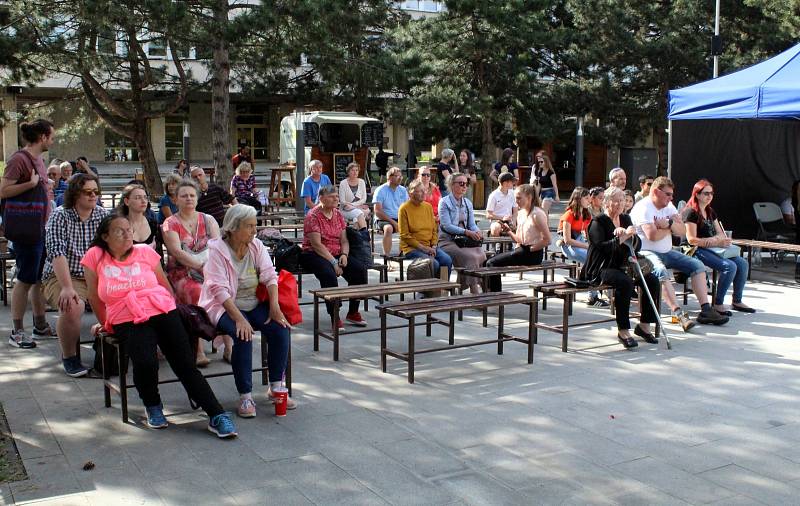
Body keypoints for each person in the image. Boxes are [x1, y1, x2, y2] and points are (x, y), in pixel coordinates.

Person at [82, 213, 237, 437]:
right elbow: (94, 296)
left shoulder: (144, 252)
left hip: (161, 309)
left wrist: (170, 310)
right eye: (119, 231)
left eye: (129, 230)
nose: (127, 234)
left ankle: (216, 414)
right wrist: (105, 323)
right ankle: (153, 405)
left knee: (185, 363)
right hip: (126, 316)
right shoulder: (95, 256)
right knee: (145, 361)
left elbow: (165, 287)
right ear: (105, 236)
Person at [199, 205, 294, 418]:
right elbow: (218, 289)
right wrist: (239, 319)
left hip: (253, 302)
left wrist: (275, 307)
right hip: (223, 306)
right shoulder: (216, 251)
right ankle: (245, 395)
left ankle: (276, 385)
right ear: (233, 228)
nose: (254, 230)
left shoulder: (256, 245)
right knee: (243, 335)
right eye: (249, 226)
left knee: (280, 328)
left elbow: (270, 276)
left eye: (255, 225)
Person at [630, 176, 728, 331]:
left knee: (697, 265)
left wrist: (667, 224)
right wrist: (671, 226)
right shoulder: (643, 207)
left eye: (671, 194)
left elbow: (682, 231)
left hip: (667, 251)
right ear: (656, 191)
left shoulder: (668, 206)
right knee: (661, 271)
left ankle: (706, 310)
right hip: (645, 253)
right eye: (668, 194)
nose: (671, 198)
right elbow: (652, 236)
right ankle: (678, 313)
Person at [42, 172, 109, 376]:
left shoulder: (102, 215)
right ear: (75, 194)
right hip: (64, 274)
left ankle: (113, 350)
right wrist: (67, 287)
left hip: (95, 274)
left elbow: (112, 249)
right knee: (72, 305)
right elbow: (56, 252)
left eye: (95, 191)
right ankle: (70, 357)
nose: (93, 195)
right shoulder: (60, 215)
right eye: (87, 192)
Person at [580, 187, 661, 349]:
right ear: (606, 202)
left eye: (622, 200)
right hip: (602, 267)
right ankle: (623, 329)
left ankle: (644, 326)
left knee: (652, 279)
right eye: (615, 200)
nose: (619, 204)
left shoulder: (625, 219)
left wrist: (632, 236)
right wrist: (621, 238)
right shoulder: (598, 222)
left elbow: (636, 247)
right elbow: (602, 248)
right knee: (625, 283)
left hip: (624, 264)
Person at [1, 119, 55, 349]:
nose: (53, 140)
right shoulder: (19, 159)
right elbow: (3, 190)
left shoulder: (37, 160)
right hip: (27, 230)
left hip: (40, 228)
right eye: (51, 136)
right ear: (42, 137)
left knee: (37, 279)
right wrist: (31, 184)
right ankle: (17, 331)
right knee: (24, 280)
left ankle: (40, 325)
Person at [162, 180, 222, 367]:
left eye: (192, 195)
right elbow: (176, 251)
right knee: (195, 291)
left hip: (209, 268)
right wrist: (199, 266)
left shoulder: (208, 219)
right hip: (181, 271)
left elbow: (217, 246)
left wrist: (209, 269)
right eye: (184, 195)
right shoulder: (170, 223)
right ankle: (198, 349)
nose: (188, 198)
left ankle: (228, 345)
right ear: (176, 200)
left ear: (197, 198)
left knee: (225, 291)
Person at [301, 185, 368, 329]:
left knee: (359, 270)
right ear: (321, 198)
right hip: (314, 254)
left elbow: (344, 240)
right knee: (329, 275)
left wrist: (344, 255)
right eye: (332, 196)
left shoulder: (337, 214)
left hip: (337, 252)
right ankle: (334, 315)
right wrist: (333, 263)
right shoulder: (313, 216)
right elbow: (317, 245)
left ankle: (353, 312)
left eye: (337, 196)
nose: (336, 199)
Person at [682, 179, 754, 314]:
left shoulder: (710, 211)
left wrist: (716, 240)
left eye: (711, 193)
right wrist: (715, 241)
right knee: (729, 266)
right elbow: (691, 240)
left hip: (712, 247)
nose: (709, 196)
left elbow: (721, 233)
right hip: (694, 250)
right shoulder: (690, 212)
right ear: (697, 194)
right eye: (706, 193)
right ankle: (718, 303)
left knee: (743, 264)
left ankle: (737, 300)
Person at [485, 184, 550, 292]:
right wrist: (509, 231)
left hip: (533, 253)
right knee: (485, 262)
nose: (516, 201)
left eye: (519, 198)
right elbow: (519, 240)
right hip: (522, 250)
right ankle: (489, 292)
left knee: (491, 263)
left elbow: (547, 240)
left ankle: (495, 295)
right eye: (515, 198)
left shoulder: (537, 214)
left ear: (529, 197)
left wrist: (531, 249)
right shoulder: (520, 214)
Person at [558, 187, 608, 307]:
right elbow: (567, 240)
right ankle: (593, 296)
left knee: (598, 258)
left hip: (581, 242)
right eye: (586, 198)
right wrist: (587, 246)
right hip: (569, 246)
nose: (589, 200)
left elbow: (588, 235)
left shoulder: (586, 214)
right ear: (578, 199)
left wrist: (592, 246)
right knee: (592, 261)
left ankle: (592, 289)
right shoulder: (569, 214)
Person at [438, 173, 486, 294]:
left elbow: (471, 224)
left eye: (466, 184)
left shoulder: (467, 203)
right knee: (470, 257)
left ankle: (474, 285)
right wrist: (466, 232)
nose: (464, 186)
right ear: (452, 185)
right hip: (447, 241)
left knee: (482, 255)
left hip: (464, 240)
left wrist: (477, 231)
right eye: (461, 183)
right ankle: (474, 290)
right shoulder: (444, 202)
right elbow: (446, 226)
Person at [399, 179, 452, 275]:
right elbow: (404, 235)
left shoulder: (428, 207)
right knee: (433, 264)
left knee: (446, 260)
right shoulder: (404, 208)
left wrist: (434, 246)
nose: (424, 193)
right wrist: (424, 248)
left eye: (425, 190)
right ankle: (429, 289)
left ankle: (442, 288)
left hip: (430, 246)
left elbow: (434, 230)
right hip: (412, 248)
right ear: (411, 194)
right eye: (420, 191)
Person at [373, 166, 409, 256]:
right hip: (383, 219)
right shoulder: (380, 190)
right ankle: (387, 256)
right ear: (389, 177)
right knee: (388, 228)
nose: (400, 178)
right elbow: (378, 211)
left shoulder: (403, 190)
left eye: (401, 176)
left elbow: (407, 208)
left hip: (399, 218)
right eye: (397, 176)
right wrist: (393, 222)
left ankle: (403, 253)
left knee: (413, 226)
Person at [117, 184, 159, 249]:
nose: (143, 201)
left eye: (145, 197)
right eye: (138, 197)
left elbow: (159, 254)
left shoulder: (153, 224)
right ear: (127, 201)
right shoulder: (118, 226)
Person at [338, 162, 370, 230]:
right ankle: (365, 235)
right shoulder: (343, 183)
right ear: (348, 172)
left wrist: (353, 205)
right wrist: (355, 207)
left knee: (357, 218)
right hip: (345, 210)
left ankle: (355, 234)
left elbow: (364, 199)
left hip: (359, 207)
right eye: (352, 170)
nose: (355, 172)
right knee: (360, 213)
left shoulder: (362, 182)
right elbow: (342, 201)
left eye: (356, 170)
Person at [486, 172, 518, 237]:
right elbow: (488, 215)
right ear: (505, 183)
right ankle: (496, 246)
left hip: (510, 221)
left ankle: (513, 246)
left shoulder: (512, 193)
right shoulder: (493, 195)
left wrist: (514, 222)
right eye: (512, 181)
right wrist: (502, 218)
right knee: (496, 228)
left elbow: (515, 211)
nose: (513, 183)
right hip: (496, 221)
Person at [530, 150, 559, 215]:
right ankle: (546, 225)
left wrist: (557, 196)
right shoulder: (540, 172)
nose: (540, 163)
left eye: (541, 162)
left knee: (544, 211)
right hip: (542, 193)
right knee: (542, 211)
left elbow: (555, 185)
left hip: (549, 192)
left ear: (546, 162)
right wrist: (536, 195)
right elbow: (539, 185)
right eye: (539, 162)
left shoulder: (551, 173)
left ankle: (544, 225)